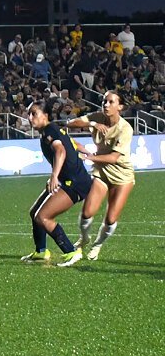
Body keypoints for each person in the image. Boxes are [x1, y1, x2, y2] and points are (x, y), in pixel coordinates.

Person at [66, 91, 135, 263]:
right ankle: (84, 238)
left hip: (122, 175)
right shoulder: (97, 116)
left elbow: (113, 158)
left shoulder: (125, 129)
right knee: (87, 212)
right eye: (105, 101)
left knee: (111, 218)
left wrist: (88, 157)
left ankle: (97, 244)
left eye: (111, 102)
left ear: (120, 106)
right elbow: (70, 123)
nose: (106, 104)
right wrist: (93, 123)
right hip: (101, 171)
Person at [20, 102, 87, 266]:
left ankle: (71, 251)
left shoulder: (50, 130)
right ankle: (41, 251)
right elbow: (73, 144)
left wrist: (54, 175)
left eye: (34, 113)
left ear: (46, 115)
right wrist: (89, 154)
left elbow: (60, 150)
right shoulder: (51, 131)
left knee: (43, 216)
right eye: (29, 114)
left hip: (75, 182)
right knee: (34, 212)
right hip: (68, 179)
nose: (30, 118)